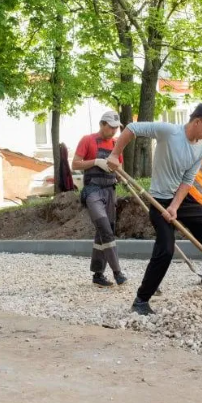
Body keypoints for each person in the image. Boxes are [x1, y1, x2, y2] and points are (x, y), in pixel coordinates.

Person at [106, 103, 202, 316]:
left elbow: (188, 180)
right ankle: (141, 300)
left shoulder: (201, 147)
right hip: (158, 197)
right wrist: (115, 154)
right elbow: (132, 128)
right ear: (196, 122)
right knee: (166, 249)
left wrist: (175, 207)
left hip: (180, 198)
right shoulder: (169, 132)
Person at [73, 110, 127, 288]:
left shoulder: (116, 144)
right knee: (104, 228)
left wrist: (122, 178)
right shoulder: (87, 140)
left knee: (103, 232)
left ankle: (98, 274)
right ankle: (118, 272)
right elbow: (75, 164)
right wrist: (95, 161)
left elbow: (119, 169)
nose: (113, 131)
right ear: (102, 124)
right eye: (110, 127)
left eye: (116, 128)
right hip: (92, 191)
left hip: (110, 191)